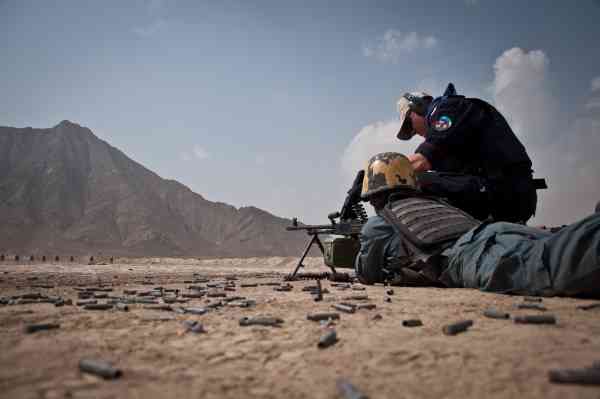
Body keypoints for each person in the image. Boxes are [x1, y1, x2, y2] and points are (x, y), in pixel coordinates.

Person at [355, 152, 600, 298]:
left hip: (474, 253)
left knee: (556, 266)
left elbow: (368, 273)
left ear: (375, 195)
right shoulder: (436, 203)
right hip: (498, 231)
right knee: (564, 245)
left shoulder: (378, 225)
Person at [395, 84, 545, 223]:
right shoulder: (451, 137)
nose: (414, 132)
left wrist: (382, 174)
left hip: (506, 193)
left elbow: (420, 161)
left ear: (419, 106)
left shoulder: (447, 109)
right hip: (507, 193)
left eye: (409, 125)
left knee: (416, 180)